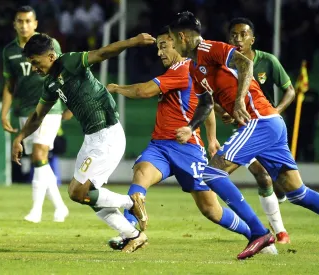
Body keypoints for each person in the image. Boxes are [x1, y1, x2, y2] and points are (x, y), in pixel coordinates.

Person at [170, 11, 319, 262]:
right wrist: (193, 126)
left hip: (261, 121)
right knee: (297, 193)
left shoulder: (210, 47)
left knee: (212, 173)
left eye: (171, 39)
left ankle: (258, 232)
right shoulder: (194, 67)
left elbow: (246, 64)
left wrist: (237, 103)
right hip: (269, 123)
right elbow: (206, 103)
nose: (171, 44)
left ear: (181, 36)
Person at [105, 26, 276, 254]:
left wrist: (116, 88)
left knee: (211, 209)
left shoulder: (183, 69)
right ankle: (129, 232)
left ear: (176, 43)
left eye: (163, 46)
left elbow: (144, 91)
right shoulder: (181, 71)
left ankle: (255, 234)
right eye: (158, 48)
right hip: (160, 146)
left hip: (187, 149)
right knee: (140, 176)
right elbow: (205, 106)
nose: (159, 53)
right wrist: (214, 136)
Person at [11, 32, 156, 253]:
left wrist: (133, 42)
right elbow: (37, 116)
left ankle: (131, 202)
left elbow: (103, 53)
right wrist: (20, 137)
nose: (34, 68)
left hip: (107, 133)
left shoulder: (69, 61)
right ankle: (132, 235)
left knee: (78, 192)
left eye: (35, 62)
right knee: (87, 195)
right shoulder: (50, 84)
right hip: (92, 138)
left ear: (50, 56)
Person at [226, 17, 296, 243]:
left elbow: (290, 91)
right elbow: (213, 99)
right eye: (234, 35)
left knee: (283, 185)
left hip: (268, 129)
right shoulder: (226, 66)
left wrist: (275, 111)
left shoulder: (268, 61)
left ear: (252, 39)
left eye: (243, 34)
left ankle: (279, 198)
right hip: (246, 130)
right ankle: (280, 232)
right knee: (263, 177)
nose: (238, 38)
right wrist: (226, 111)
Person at [1, 6, 69, 223]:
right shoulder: (9, 51)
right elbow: (10, 84)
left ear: (35, 23)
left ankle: (36, 211)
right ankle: (60, 207)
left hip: (50, 107)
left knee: (39, 155)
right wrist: (5, 112)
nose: (24, 25)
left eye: (28, 21)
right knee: (39, 160)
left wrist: (70, 103)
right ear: (14, 24)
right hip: (26, 110)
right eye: (20, 21)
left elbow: (63, 72)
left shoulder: (49, 44)